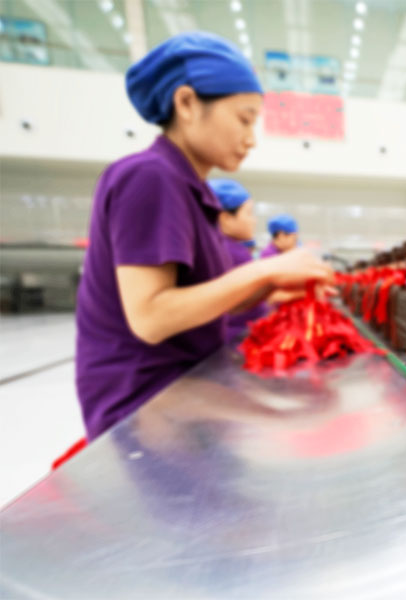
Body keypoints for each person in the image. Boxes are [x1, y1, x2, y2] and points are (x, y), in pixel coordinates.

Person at [75, 32, 333, 440]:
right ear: (186, 104)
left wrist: (272, 286)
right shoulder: (149, 177)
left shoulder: (192, 192)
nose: (251, 138)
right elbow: (151, 317)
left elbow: (208, 302)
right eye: (244, 119)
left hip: (185, 387)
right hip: (143, 403)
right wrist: (265, 270)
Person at [208, 178, 268, 342]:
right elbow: (237, 301)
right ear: (226, 218)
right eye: (248, 213)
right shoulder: (228, 251)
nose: (254, 220)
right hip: (233, 338)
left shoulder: (231, 248)